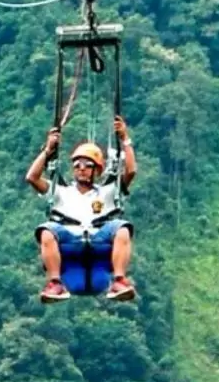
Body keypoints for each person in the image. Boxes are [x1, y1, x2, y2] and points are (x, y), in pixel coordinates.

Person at [25, 116, 137, 303]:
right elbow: (32, 177)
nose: (81, 169)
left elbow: (131, 171)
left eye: (87, 165)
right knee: (46, 230)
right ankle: (54, 283)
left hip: (99, 241)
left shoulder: (108, 192)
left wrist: (125, 139)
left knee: (122, 228)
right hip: (71, 241)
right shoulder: (61, 191)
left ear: (97, 170)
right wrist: (48, 150)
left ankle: (119, 280)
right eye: (77, 165)